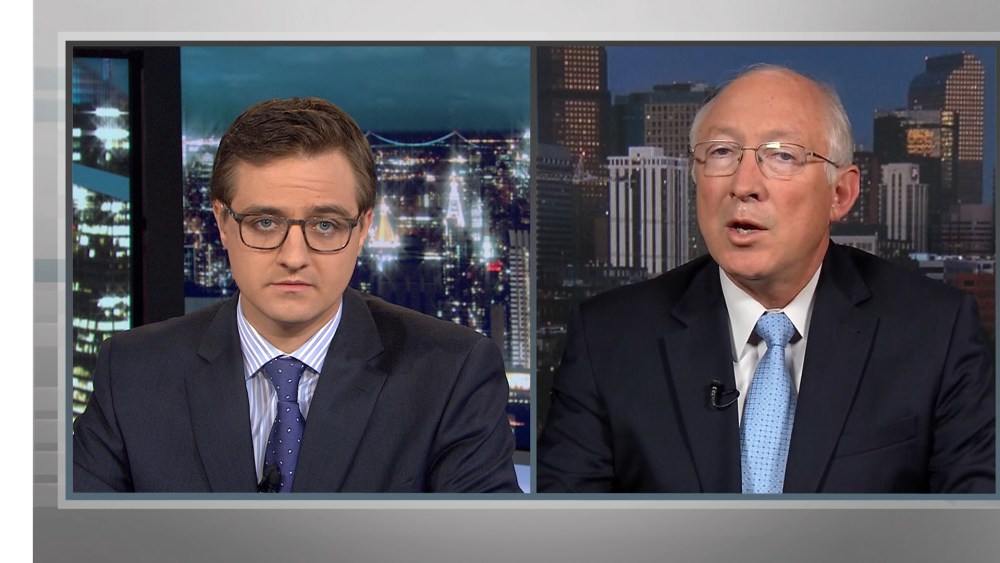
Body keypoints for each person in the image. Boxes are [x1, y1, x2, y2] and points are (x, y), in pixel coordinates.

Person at [537, 65, 995, 494]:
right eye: (721, 152)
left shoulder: (936, 333)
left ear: (841, 193)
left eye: (782, 156)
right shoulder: (607, 339)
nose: (744, 185)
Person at [73, 97, 521, 493]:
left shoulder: (451, 374)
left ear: (363, 228)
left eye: (325, 225)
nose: (293, 257)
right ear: (224, 224)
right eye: (265, 223)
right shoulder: (132, 372)